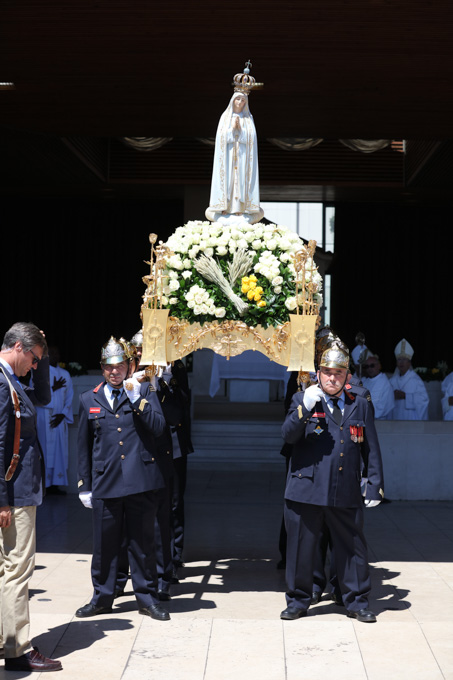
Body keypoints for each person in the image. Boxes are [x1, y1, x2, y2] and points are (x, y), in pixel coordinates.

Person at [280, 344, 384, 623]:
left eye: (338, 373)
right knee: (301, 548)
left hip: (344, 487)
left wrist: (374, 484)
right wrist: (305, 407)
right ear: (318, 374)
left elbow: (371, 448)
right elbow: (288, 436)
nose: (332, 378)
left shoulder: (359, 403)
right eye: (327, 372)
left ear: (347, 375)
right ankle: (298, 600)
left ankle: (357, 601)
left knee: (352, 548)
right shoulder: (302, 398)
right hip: (306, 488)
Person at [76, 336, 170, 621]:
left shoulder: (145, 390)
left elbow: (158, 427)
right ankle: (102, 598)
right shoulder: (89, 398)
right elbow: (84, 447)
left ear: (130, 366)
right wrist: (84, 485)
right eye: (108, 366)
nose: (114, 371)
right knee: (105, 546)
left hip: (140, 481)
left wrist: (136, 398)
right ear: (102, 368)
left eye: (119, 366)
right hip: (106, 482)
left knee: (142, 544)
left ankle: (147, 598)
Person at [0, 322, 62, 672]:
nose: (35, 366)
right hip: (14, 491)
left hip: (12, 490)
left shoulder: (11, 378)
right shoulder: (2, 382)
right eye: (34, 359)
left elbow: (42, 396)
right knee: (17, 570)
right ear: (18, 348)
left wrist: (45, 354)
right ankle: (18, 649)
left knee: (4, 569)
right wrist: (2, 501)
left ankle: (4, 639)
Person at [206, 64, 263, 223]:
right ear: (232, 101)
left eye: (243, 100)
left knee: (241, 181)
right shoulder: (225, 118)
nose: (240, 102)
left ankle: (240, 208)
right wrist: (232, 130)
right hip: (229, 156)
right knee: (229, 180)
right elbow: (221, 138)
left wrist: (241, 131)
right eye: (238, 99)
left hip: (243, 156)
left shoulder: (248, 119)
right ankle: (225, 207)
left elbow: (251, 139)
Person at [35, 346, 74, 493]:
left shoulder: (65, 374)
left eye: (57, 352)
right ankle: (44, 485)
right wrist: (53, 388)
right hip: (44, 417)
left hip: (59, 419)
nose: (55, 355)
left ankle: (55, 484)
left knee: (59, 451)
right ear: (45, 355)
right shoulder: (39, 373)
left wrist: (63, 414)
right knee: (44, 450)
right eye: (52, 353)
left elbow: (69, 396)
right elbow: (35, 396)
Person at [389, 339, 429, 420]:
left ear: (409, 363)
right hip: (395, 417)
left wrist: (405, 396)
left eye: (404, 359)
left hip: (410, 418)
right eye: (399, 359)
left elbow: (424, 400)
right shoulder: (392, 381)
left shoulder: (416, 380)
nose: (401, 362)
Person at [361, 350, 395, 420]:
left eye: (372, 365)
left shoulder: (385, 384)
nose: (369, 368)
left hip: (380, 422)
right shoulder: (365, 382)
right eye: (367, 366)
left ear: (379, 366)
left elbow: (383, 409)